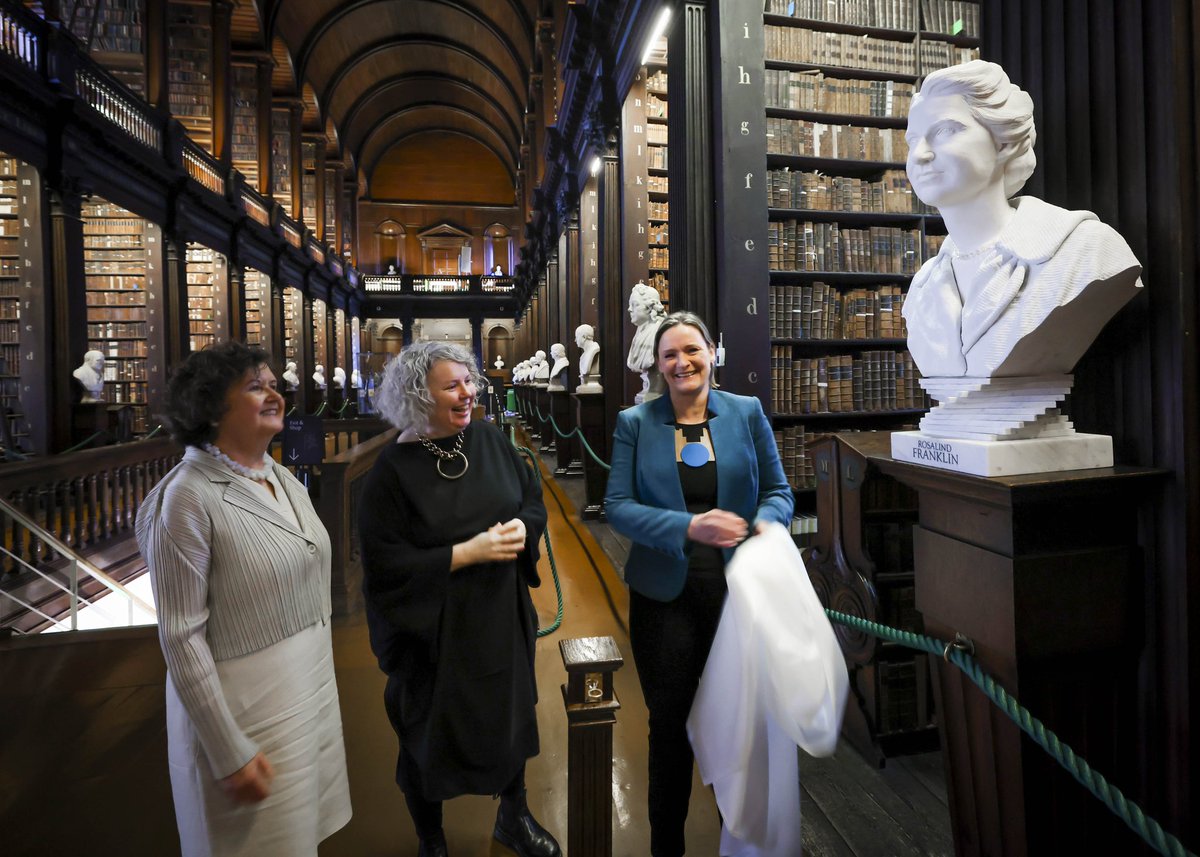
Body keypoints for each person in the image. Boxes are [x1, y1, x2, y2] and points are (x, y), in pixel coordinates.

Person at [134, 341, 352, 857]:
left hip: (308, 698)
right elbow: (181, 638)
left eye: (274, 384)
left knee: (301, 839)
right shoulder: (186, 496)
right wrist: (228, 751)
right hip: (246, 717)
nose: (275, 394)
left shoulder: (279, 476)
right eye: (256, 387)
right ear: (211, 407)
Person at [358, 341, 561, 857]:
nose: (469, 392)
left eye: (469, 381)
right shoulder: (391, 472)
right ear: (417, 396)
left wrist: (524, 526)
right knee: (427, 734)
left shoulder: (489, 439)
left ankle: (513, 816)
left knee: (511, 718)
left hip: (500, 616)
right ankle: (431, 838)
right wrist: (465, 553)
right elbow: (385, 565)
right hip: (434, 632)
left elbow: (531, 500)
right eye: (452, 386)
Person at [604, 312, 793, 857]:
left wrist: (766, 522)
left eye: (692, 350)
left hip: (738, 594)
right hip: (663, 597)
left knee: (741, 721)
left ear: (712, 352)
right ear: (657, 364)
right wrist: (689, 526)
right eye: (670, 354)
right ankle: (668, 846)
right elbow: (618, 506)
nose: (682, 362)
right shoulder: (635, 422)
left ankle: (743, 839)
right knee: (669, 726)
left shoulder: (746, 412)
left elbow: (778, 492)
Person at [902, 60, 1142, 379]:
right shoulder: (924, 286)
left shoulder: (1086, 250)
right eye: (912, 140)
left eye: (945, 131)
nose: (920, 154)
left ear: (1005, 143)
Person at [626, 282, 667, 402]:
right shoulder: (640, 332)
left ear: (649, 307)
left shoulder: (659, 333)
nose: (629, 309)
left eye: (635, 305)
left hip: (656, 395)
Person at [574, 324, 601, 390]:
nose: (575, 340)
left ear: (584, 337)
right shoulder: (583, 355)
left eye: (577, 337)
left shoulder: (594, 349)